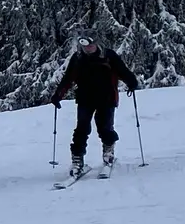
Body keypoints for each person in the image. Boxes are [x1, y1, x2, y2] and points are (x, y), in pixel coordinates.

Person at [49, 31, 140, 177]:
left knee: (104, 127)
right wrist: (58, 95)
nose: (88, 48)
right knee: (81, 129)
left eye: (91, 45)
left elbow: (123, 71)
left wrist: (132, 82)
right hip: (85, 98)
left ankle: (108, 153)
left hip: (107, 97)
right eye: (85, 45)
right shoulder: (78, 58)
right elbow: (68, 78)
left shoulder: (108, 56)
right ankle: (78, 159)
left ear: (96, 43)